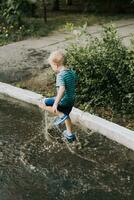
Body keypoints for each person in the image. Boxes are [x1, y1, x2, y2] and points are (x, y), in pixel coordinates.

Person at [39, 50, 77, 142]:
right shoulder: (71, 72)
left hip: (63, 100)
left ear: (55, 65)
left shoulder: (60, 75)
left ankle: (60, 114)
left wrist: (56, 103)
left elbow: (62, 89)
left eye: (51, 66)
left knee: (41, 103)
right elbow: (74, 82)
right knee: (67, 116)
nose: (52, 68)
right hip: (71, 100)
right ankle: (69, 135)